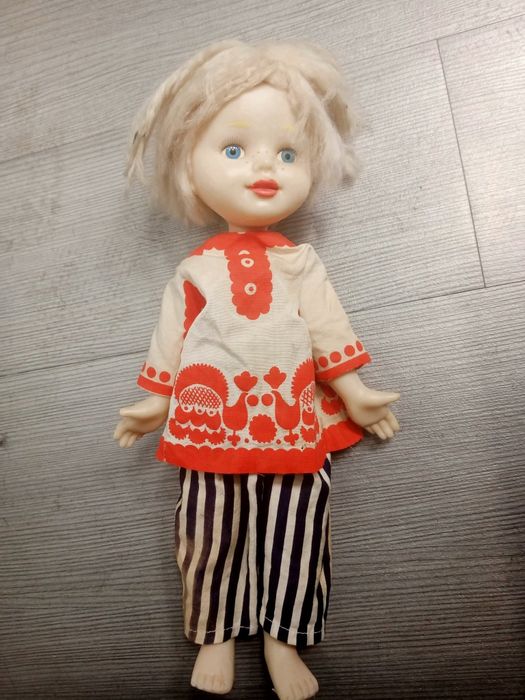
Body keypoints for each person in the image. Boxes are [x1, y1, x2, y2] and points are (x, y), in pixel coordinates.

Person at [113, 40, 400, 700]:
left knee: (300, 532)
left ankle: (283, 637)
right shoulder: (195, 270)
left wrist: (352, 390)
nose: (265, 167)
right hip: (209, 424)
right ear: (189, 170)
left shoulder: (301, 263)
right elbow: (172, 338)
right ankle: (214, 632)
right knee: (206, 531)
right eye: (235, 150)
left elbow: (326, 328)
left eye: (288, 153)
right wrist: (156, 402)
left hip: (293, 423)